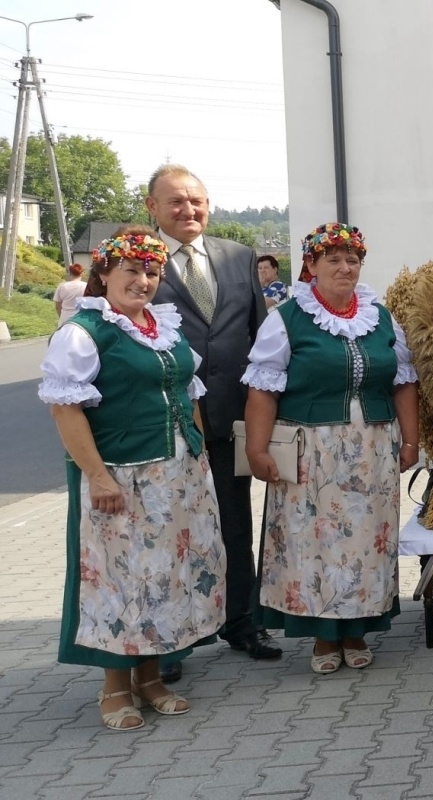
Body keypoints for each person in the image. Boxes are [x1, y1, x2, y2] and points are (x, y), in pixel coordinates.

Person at [40, 228, 227, 731]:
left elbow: (189, 394)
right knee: (117, 579)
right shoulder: (85, 331)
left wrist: (199, 450)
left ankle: (150, 679)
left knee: (162, 576)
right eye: (132, 270)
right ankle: (113, 688)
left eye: (151, 272)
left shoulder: (161, 327)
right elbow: (65, 409)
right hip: (121, 476)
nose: (143, 280)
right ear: (103, 274)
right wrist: (98, 477)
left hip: (177, 474)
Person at [241, 223, 419, 673]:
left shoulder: (380, 316)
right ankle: (323, 637)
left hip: (373, 446)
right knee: (314, 542)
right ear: (311, 266)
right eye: (333, 260)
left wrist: (411, 439)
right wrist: (257, 451)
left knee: (366, 542)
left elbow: (403, 383)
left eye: (352, 260)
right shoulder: (287, 318)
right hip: (310, 450)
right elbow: (263, 389)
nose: (344, 268)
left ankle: (358, 628)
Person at [146, 165, 279, 682]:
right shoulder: (140, 261)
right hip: (168, 424)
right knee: (173, 532)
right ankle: (171, 642)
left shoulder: (238, 256)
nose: (189, 210)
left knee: (235, 523)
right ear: (152, 207)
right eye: (176, 202)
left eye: (197, 201)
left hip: (231, 417)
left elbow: (259, 336)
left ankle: (242, 622)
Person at [53, 261, 87, 327]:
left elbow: (57, 306)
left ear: (70, 273)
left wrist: (61, 316)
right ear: (82, 274)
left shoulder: (62, 286)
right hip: (81, 319)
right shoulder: (86, 286)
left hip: (65, 319)